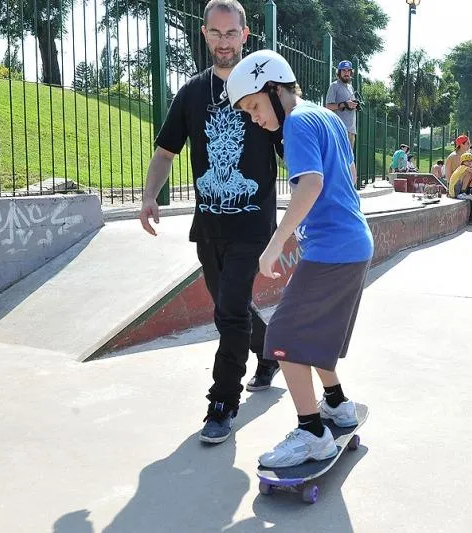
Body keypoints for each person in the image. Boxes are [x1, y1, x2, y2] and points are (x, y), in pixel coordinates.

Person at [138, 0, 282, 445]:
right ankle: (269, 352)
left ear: (245, 35)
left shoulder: (266, 89)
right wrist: (148, 196)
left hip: (253, 226)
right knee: (229, 306)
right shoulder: (191, 93)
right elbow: (166, 152)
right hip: (209, 226)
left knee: (229, 313)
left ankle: (222, 403)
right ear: (204, 34)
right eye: (216, 33)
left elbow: (293, 149)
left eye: (231, 33)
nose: (223, 42)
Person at [227, 49, 373, 468]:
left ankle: (312, 433)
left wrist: (276, 242)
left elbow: (311, 183)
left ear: (274, 89)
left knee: (284, 338)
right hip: (350, 243)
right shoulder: (325, 116)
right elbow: (345, 174)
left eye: (254, 106)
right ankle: (337, 404)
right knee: (311, 334)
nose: (255, 118)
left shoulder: (297, 122)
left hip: (333, 249)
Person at [325, 60, 358, 148]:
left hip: (351, 130)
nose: (346, 73)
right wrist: (344, 104)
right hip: (339, 129)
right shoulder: (334, 86)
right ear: (339, 72)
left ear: (351, 72)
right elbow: (328, 106)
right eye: (344, 70)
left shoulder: (350, 87)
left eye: (348, 70)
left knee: (349, 156)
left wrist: (354, 105)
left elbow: (349, 104)